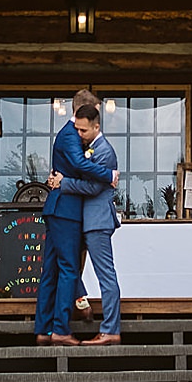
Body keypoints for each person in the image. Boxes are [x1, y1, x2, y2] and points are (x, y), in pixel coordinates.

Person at [33, 89, 114, 346]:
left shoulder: (71, 135)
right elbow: (79, 165)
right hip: (66, 210)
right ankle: (59, 330)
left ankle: (43, 329)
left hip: (60, 208)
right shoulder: (70, 135)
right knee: (69, 269)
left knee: (52, 271)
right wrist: (109, 175)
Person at [48, 102, 123, 346]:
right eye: (77, 130)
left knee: (106, 277)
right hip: (83, 221)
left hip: (98, 221)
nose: (78, 134)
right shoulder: (89, 148)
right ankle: (81, 303)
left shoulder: (104, 151)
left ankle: (110, 329)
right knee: (70, 266)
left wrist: (63, 183)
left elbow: (92, 187)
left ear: (96, 127)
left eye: (83, 131)